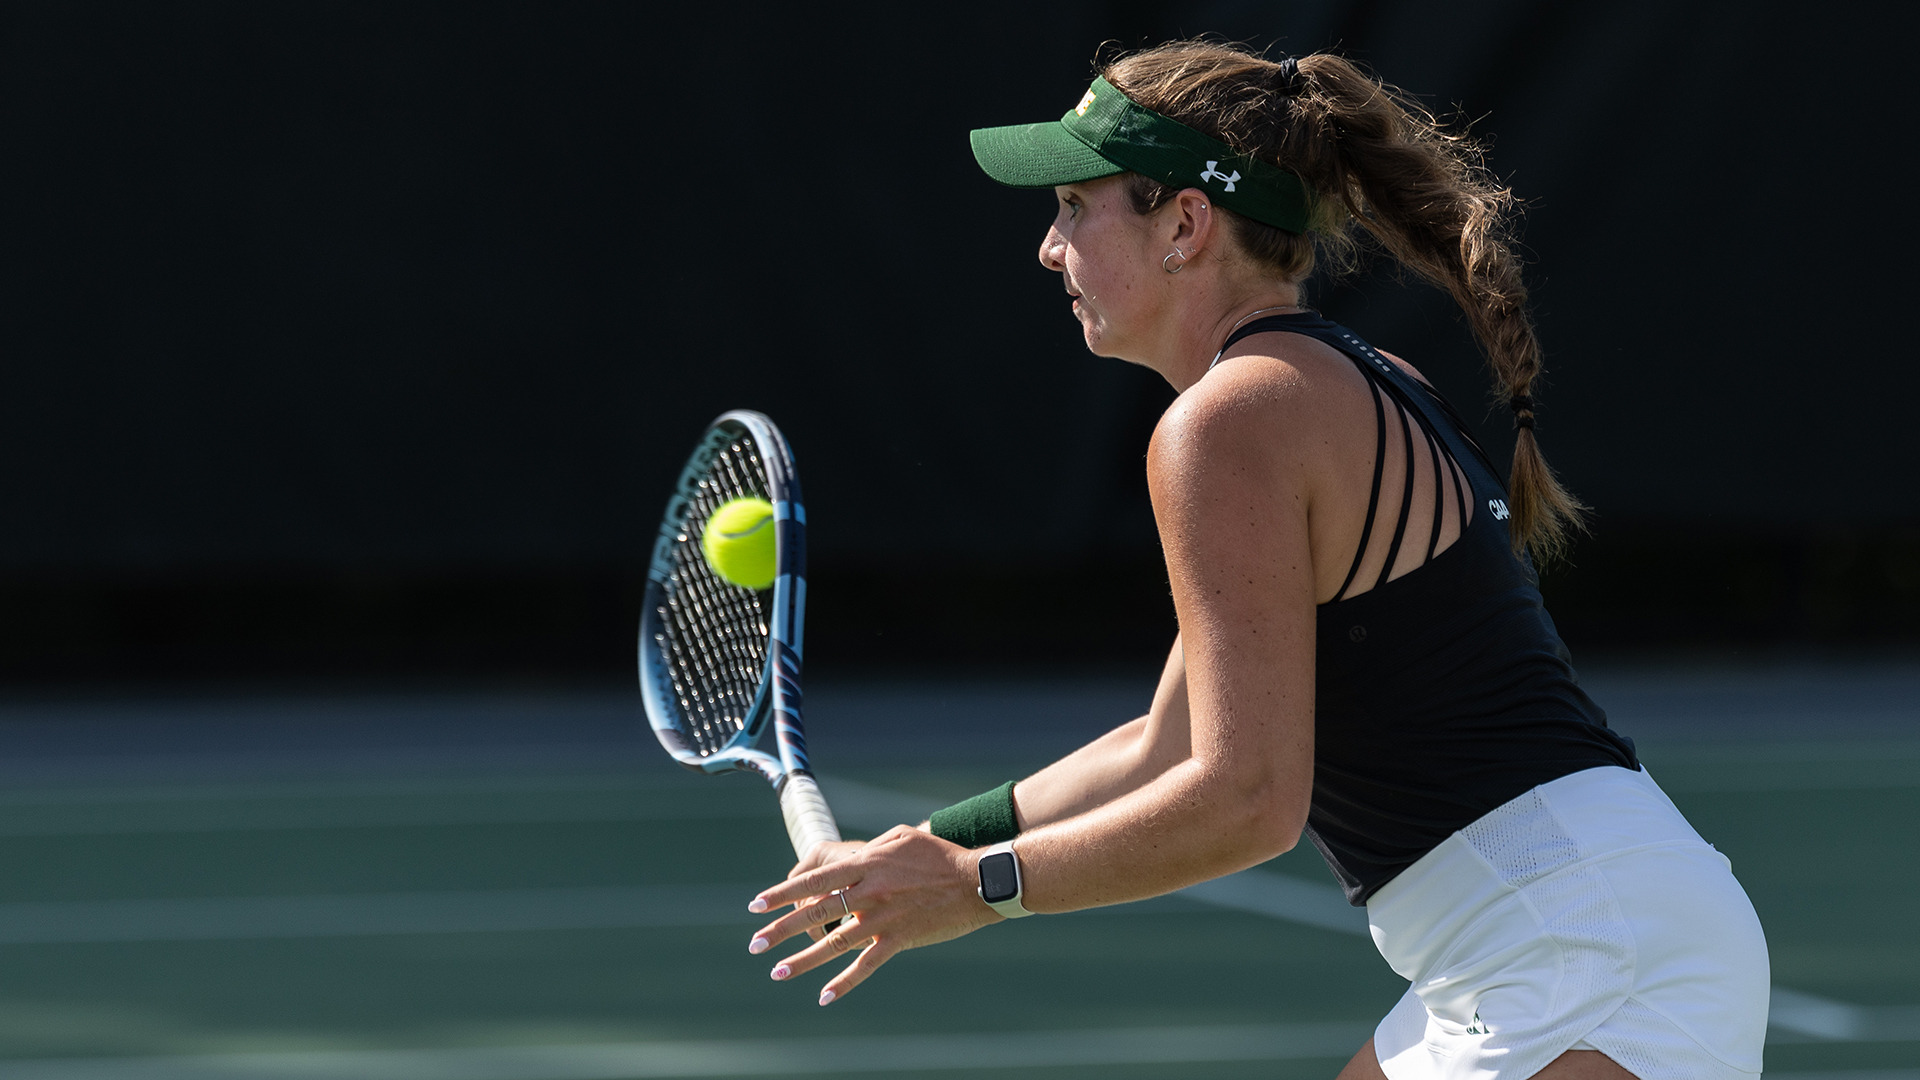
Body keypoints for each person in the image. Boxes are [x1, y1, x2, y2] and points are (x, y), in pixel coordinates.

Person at [746, 40, 1769, 1080]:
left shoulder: (1228, 425)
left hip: (1580, 943)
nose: (1050, 249)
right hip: (1575, 921)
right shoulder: (1334, 383)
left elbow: (1249, 801)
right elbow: (1164, 746)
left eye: (1075, 207)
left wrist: (980, 888)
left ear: (1185, 225)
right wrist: (926, 846)